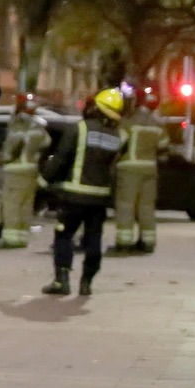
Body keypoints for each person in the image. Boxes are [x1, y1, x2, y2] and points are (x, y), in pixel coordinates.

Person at [40, 88, 125, 296]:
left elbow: (61, 158)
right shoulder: (121, 136)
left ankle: (62, 280)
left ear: (95, 107)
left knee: (64, 235)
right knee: (94, 239)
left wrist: (44, 180)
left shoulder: (80, 129)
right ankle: (87, 282)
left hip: (74, 196)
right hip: (100, 198)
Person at [113, 86, 166, 253]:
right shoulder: (158, 124)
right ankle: (147, 242)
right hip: (150, 168)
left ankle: (124, 242)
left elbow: (118, 143)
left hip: (129, 168)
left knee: (126, 204)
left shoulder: (129, 122)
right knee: (146, 206)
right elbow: (164, 147)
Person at [0, 94, 52, 249]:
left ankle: (11, 239)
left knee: (11, 205)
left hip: (14, 171)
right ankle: (22, 237)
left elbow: (8, 152)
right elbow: (47, 142)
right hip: (31, 170)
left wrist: (0, 158)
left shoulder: (17, 125)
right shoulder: (38, 127)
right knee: (25, 205)